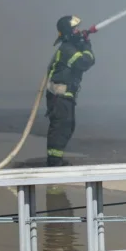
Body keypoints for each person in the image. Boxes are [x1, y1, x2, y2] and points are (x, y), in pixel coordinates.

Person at [45, 15, 95, 166]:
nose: (78, 31)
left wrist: (82, 41)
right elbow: (85, 62)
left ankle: (56, 160)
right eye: (75, 29)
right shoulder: (67, 49)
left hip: (64, 97)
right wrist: (86, 44)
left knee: (67, 127)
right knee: (60, 128)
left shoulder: (70, 47)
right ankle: (54, 162)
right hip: (60, 97)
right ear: (68, 31)